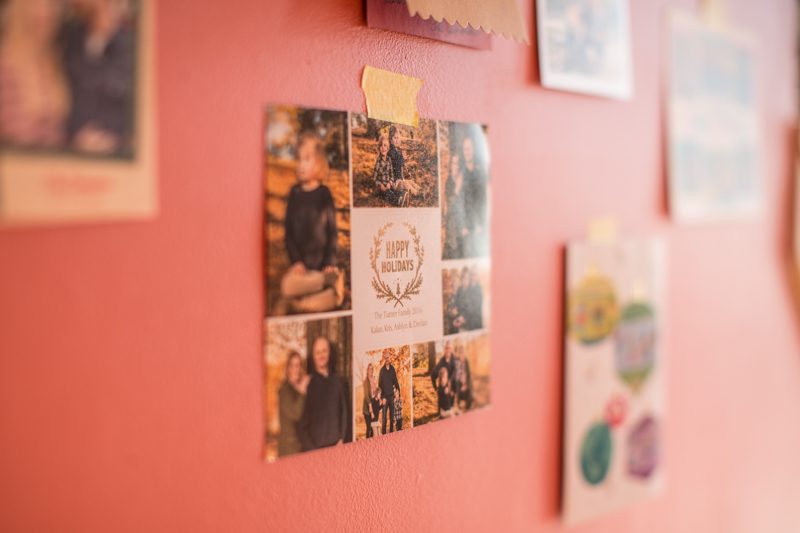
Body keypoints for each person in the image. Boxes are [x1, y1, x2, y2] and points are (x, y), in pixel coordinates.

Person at [280, 133, 344, 314]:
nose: (300, 164)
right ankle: (319, 291)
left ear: (318, 162)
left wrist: (330, 262)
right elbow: (288, 234)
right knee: (286, 286)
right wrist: (296, 261)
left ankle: (313, 294)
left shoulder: (324, 194)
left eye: (306, 159)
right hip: (302, 272)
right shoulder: (294, 193)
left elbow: (332, 232)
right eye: (298, 159)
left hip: (322, 268)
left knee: (331, 296)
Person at [63, 0, 135, 157]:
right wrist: (76, 136)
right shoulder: (69, 38)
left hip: (115, 150)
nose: (105, 8)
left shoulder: (134, 47)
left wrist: (116, 141)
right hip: (70, 147)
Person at [0, 0, 70, 149]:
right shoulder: (5, 67)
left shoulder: (52, 64)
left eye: (50, 5)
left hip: (49, 168)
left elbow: (55, 137)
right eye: (37, 5)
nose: (46, 13)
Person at [297, 336, 349, 451]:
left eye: (324, 351)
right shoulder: (308, 384)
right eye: (318, 352)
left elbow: (344, 412)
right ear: (313, 356)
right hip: (315, 450)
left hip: (338, 447)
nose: (321, 355)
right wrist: (312, 450)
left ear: (330, 353)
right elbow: (301, 425)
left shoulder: (338, 381)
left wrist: (342, 439)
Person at [277, 351, 309, 458]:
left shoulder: (297, 388)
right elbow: (296, 413)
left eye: (299, 365)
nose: (296, 369)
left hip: (300, 446)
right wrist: (302, 391)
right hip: (289, 449)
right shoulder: (284, 390)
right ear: (288, 368)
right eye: (293, 365)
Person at [461, 135, 489, 257]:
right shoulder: (460, 173)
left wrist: (481, 224)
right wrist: (463, 225)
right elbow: (459, 201)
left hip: (478, 225)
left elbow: (482, 199)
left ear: (473, 150)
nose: (467, 152)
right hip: (465, 225)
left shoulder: (480, 172)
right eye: (465, 149)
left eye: (469, 149)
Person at [443, 152, 467, 259]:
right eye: (453, 164)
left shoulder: (462, 181)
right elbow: (450, 206)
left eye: (458, 164)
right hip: (452, 234)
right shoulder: (449, 182)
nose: (456, 166)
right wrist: (457, 189)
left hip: (462, 230)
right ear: (450, 166)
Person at [378, 349, 400, 434]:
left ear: (390, 358)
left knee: (392, 419)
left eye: (388, 357)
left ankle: (391, 434)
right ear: (384, 358)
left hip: (391, 397)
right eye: (385, 357)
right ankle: (383, 436)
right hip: (384, 399)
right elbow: (379, 386)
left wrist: (398, 392)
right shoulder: (382, 371)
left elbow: (396, 382)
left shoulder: (392, 369)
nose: (387, 359)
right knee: (384, 420)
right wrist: (382, 398)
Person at [361, 363, 380, 439]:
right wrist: (370, 406)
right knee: (369, 428)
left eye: (372, 369)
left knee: (373, 428)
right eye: (369, 369)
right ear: (367, 370)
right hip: (367, 408)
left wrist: (379, 397)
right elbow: (366, 396)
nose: (371, 370)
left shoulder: (374, 380)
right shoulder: (365, 382)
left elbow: (377, 391)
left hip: (374, 406)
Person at [452, 342, 472, 411]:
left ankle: (467, 404)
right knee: (457, 385)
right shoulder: (457, 361)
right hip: (459, 383)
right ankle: (458, 402)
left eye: (463, 352)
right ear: (459, 354)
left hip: (466, 382)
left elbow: (469, 374)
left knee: (469, 398)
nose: (462, 354)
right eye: (460, 352)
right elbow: (456, 375)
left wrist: (466, 384)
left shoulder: (466, 361)